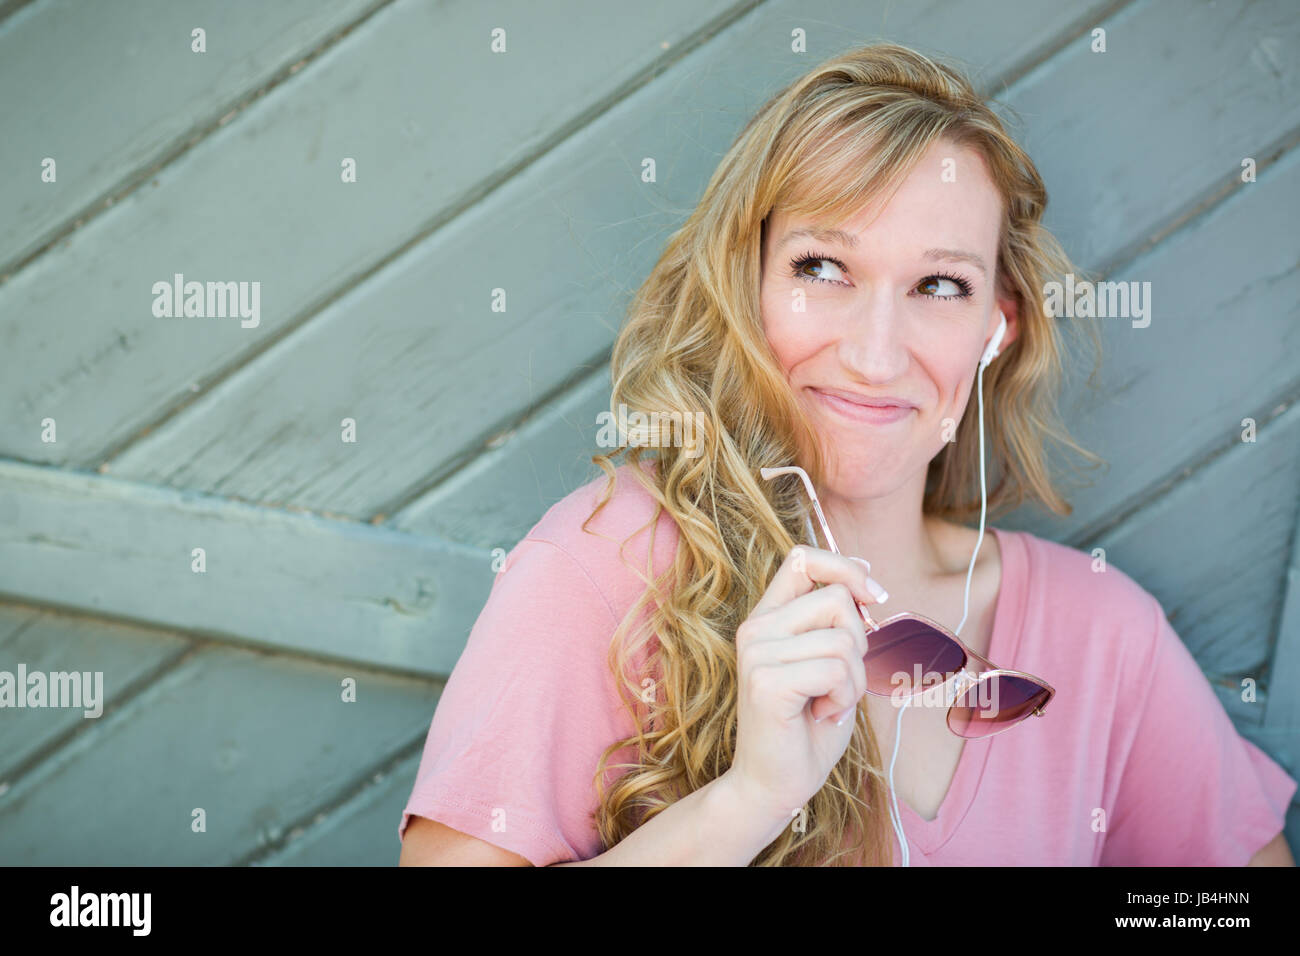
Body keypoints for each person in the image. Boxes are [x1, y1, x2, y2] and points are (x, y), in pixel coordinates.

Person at [398, 43, 1296, 866]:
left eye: (939, 285)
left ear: (995, 331)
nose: (874, 352)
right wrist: (748, 801)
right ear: (745, 284)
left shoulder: (1103, 636)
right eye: (823, 268)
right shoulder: (600, 568)